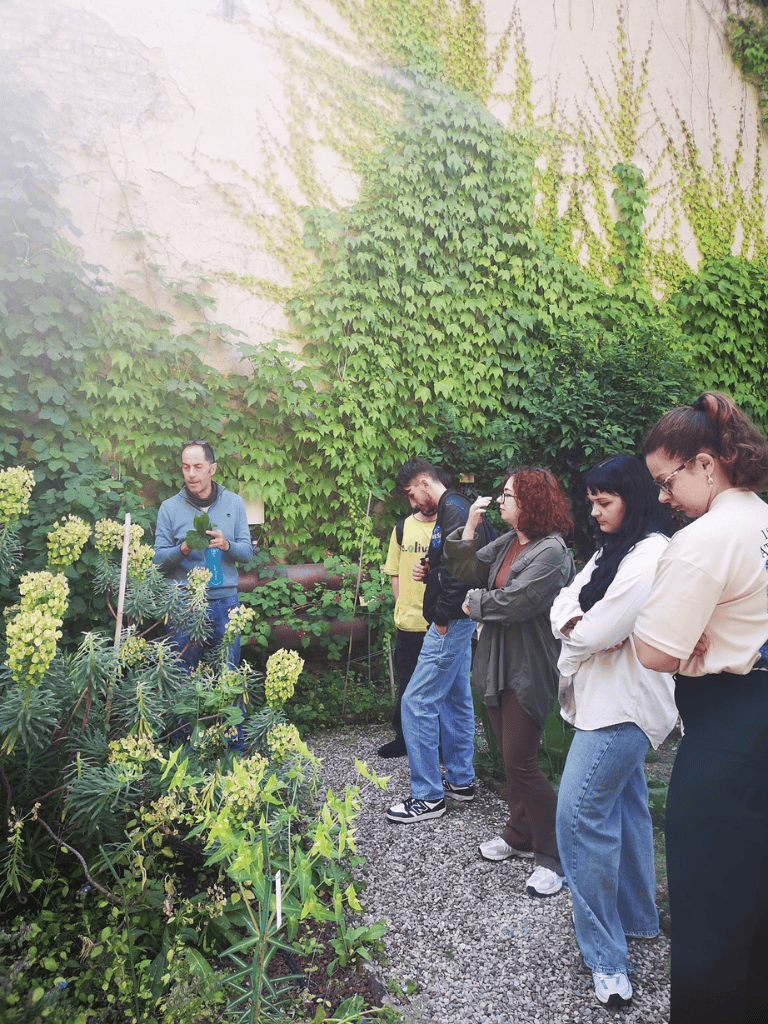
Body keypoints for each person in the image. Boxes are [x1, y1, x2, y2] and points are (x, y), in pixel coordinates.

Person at [633, 392, 768, 1024]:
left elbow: (653, 652)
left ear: (706, 464)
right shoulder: (762, 519)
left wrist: (675, 640)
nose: (661, 497)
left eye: (667, 480)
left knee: (709, 908)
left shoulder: (703, 539)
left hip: (726, 737)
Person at [550, 454, 678, 1009]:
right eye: (592, 502)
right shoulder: (611, 550)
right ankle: (639, 920)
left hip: (624, 708)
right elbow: (564, 606)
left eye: (605, 501)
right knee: (625, 809)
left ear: (633, 496)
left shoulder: (649, 554)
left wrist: (580, 631)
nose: (595, 511)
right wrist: (578, 626)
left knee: (578, 818)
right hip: (607, 699)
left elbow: (595, 629)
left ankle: (606, 958)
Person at [443, 467, 574, 897]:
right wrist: (471, 524)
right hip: (496, 661)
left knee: (521, 761)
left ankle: (554, 857)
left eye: (508, 495)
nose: (500, 501)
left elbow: (515, 603)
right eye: (502, 495)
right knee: (507, 755)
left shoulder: (550, 552)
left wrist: (474, 604)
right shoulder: (512, 543)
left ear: (532, 502)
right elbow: (466, 568)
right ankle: (518, 834)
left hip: (527, 666)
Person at [385, 458, 484, 824]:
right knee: (456, 698)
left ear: (424, 482)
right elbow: (457, 562)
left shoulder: (454, 509)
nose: (412, 504)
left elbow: (463, 574)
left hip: (450, 621)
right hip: (458, 620)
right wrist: (432, 568)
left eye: (412, 494)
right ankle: (461, 780)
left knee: (417, 701)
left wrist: (440, 620)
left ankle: (427, 797)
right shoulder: (452, 508)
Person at [153, 440, 252, 670]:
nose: (191, 474)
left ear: (212, 468)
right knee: (181, 673)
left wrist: (227, 545)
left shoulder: (234, 503)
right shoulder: (169, 508)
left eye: (198, 467)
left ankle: (232, 707)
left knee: (228, 671)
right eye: (186, 467)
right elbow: (157, 561)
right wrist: (183, 549)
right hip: (183, 603)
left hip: (225, 602)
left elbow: (247, 553)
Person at [378, 495, 437, 759]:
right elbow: (394, 572)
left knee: (440, 686)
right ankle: (403, 738)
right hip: (408, 622)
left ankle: (441, 743)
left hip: (439, 622)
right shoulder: (402, 529)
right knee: (407, 682)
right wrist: (402, 603)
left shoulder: (447, 529)